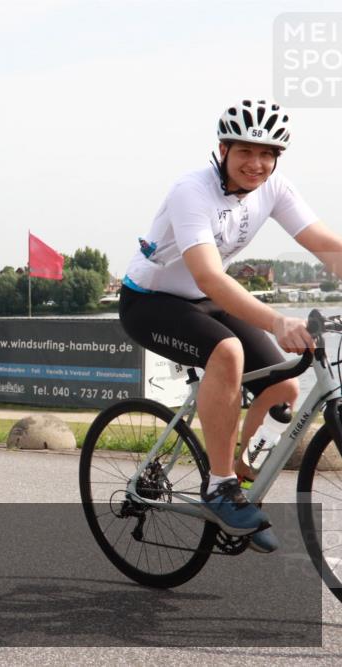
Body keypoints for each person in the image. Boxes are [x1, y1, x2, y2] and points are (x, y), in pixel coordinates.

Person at [119, 99, 342, 552]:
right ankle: (219, 487)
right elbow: (208, 275)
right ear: (223, 149)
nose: (257, 164)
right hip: (150, 301)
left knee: (284, 387)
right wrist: (277, 320)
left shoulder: (274, 187)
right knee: (227, 352)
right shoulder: (191, 191)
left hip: (205, 301)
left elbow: (322, 242)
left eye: (267, 154)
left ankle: (242, 480)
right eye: (245, 152)